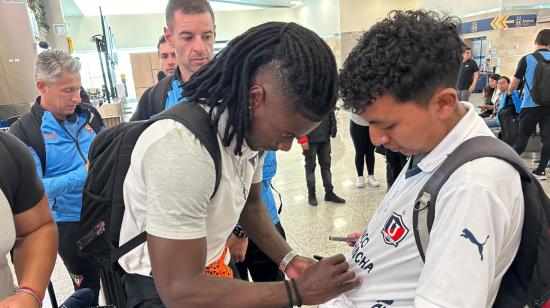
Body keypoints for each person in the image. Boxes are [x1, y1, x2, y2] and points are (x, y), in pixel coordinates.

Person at [119, 21, 361, 307]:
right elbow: (179, 289)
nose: (285, 147)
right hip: (159, 290)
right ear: (254, 98)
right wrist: (297, 293)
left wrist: (289, 260)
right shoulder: (182, 149)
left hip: (211, 266)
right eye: (286, 134)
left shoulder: (246, 129)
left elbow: (250, 203)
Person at [324, 10, 523, 307]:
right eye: (370, 125)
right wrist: (386, 238)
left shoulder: (473, 187)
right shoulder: (432, 143)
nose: (376, 139)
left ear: (443, 103)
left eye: (387, 125)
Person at [9, 50, 104, 306]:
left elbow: (107, 148)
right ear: (43, 87)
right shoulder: (26, 133)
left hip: (106, 211)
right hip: (69, 225)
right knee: (88, 290)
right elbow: (37, 189)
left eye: (78, 88)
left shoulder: (90, 115)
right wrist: (83, 174)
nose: (76, 97)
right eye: (67, 90)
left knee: (123, 275)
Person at [130, 0, 215, 121]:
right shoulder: (155, 98)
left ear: (215, 33)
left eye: (207, 36)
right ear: (169, 37)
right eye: (188, 38)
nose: (200, 48)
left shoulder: (237, 89)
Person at [0, 132, 57, 307]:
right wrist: (82, 173)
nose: (77, 101)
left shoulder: (6, 152)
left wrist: (30, 293)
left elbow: (36, 227)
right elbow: (51, 185)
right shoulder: (28, 128)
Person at [233, 151, 287, 282]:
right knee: (236, 292)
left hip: (258, 225)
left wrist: (241, 233)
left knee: (275, 292)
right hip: (224, 231)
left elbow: (261, 177)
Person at [508, 29, 550, 180]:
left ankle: (507, 166)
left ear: (536, 42)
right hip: (549, 106)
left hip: (530, 105)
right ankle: (541, 171)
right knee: (547, 138)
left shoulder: (527, 59)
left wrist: (509, 92)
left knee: (522, 137)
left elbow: (514, 82)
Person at [298, 111, 345, 206]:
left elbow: (330, 111)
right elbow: (298, 118)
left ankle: (329, 193)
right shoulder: (304, 97)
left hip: (325, 138)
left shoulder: (325, 96)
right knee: (310, 168)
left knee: (326, 166)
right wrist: (302, 139)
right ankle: (311, 194)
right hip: (310, 140)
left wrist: (333, 127)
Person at [349, 111, 380, 189]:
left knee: (370, 151)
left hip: (372, 123)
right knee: (360, 151)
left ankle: (371, 176)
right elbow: (345, 105)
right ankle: (360, 177)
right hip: (357, 123)